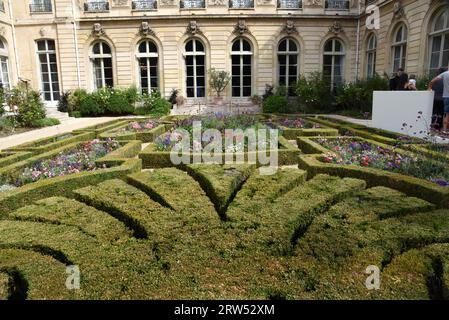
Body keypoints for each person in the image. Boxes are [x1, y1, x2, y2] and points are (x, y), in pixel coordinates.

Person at [429, 68, 449, 133]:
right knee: (442, 113)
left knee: (436, 112)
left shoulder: (441, 77)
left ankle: (436, 127)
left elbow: (432, 83)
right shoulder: (443, 79)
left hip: (437, 98)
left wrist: (429, 89)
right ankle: (441, 128)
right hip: (442, 98)